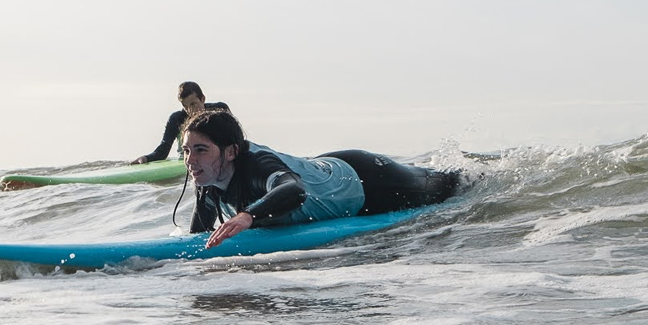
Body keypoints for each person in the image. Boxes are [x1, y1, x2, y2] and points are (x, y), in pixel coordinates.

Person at [181, 110, 460, 249]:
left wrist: (246, 217)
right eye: (186, 151)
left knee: (449, 186)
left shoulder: (256, 165)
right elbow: (195, 242)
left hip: (367, 179)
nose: (190, 161)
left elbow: (293, 190)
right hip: (323, 169)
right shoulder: (208, 182)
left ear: (230, 151)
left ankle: (478, 172)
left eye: (201, 150)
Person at [131, 81, 230, 164]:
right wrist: (145, 158)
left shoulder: (219, 110)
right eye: (185, 106)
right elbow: (164, 149)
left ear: (203, 99)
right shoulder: (177, 118)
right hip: (186, 162)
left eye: (193, 104)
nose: (190, 110)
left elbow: (234, 138)